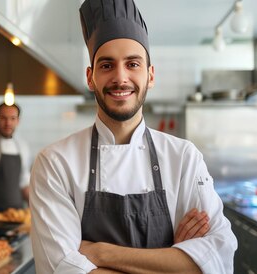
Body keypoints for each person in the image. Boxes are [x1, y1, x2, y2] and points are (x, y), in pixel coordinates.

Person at [29, 0, 237, 273]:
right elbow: (60, 269)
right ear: (90, 78)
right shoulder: (55, 164)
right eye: (106, 65)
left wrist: (102, 253)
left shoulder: (183, 158)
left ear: (150, 75)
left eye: (133, 64)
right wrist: (172, 261)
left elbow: (219, 262)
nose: (120, 77)